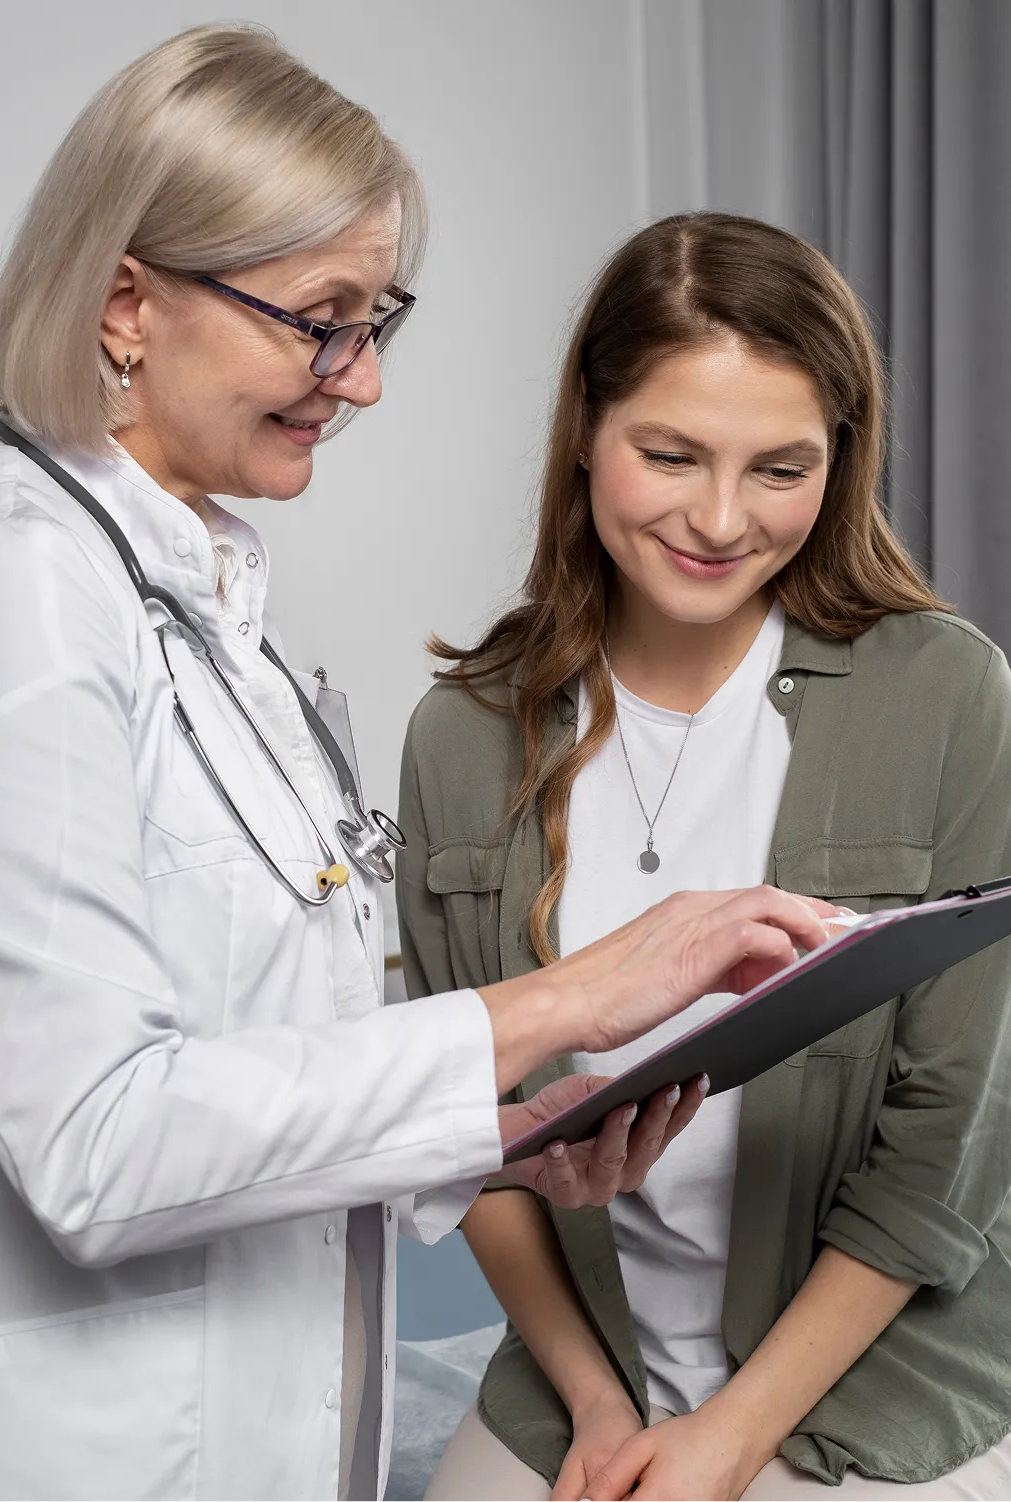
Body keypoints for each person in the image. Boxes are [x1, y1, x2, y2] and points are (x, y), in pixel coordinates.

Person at [0, 34, 838, 1502]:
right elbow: (99, 1143)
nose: (357, 383)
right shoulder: (14, 593)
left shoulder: (213, 611)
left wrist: (505, 1138)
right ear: (124, 303)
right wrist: (565, 999)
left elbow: (273, 1067)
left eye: (377, 324)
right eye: (318, 323)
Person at [398, 212, 1011, 1502]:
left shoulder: (947, 693)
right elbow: (466, 1134)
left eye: (781, 470)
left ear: (841, 463)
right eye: (670, 455)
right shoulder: (463, 736)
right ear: (586, 438)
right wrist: (598, 1406)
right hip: (588, 1371)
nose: (722, 520)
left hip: (875, 1375)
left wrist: (731, 1444)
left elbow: (947, 1138)